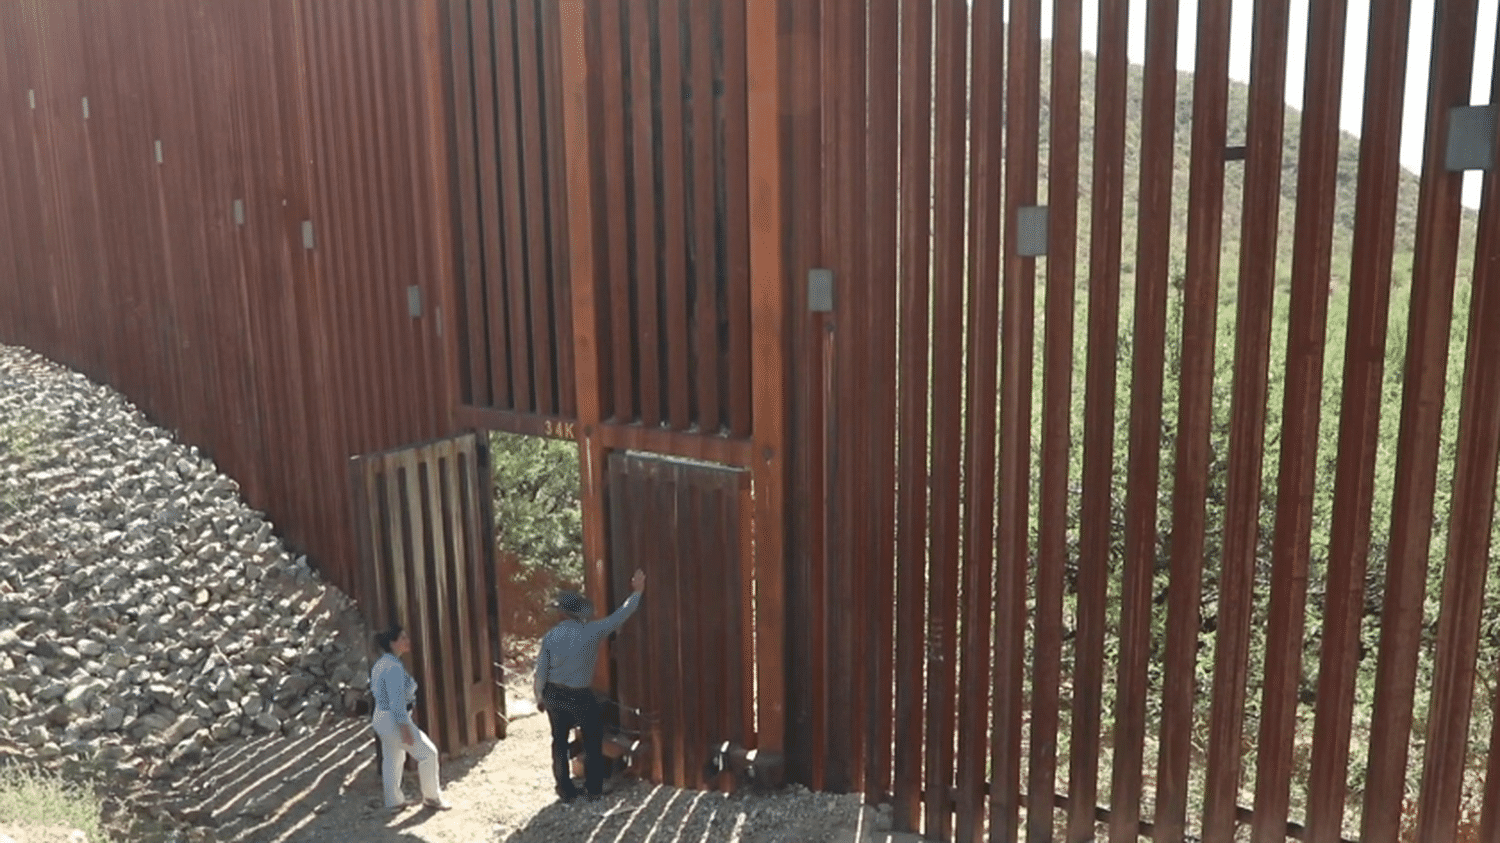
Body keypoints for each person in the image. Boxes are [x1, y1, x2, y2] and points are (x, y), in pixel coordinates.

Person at [534, 569, 646, 803]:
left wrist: (539, 698)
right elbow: (621, 616)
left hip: (553, 693)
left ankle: (565, 790)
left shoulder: (550, 637)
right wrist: (637, 593)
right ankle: (593, 788)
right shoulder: (592, 631)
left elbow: (540, 673)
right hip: (580, 696)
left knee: (559, 742)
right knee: (593, 740)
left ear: (561, 614)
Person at [370, 624, 452, 811]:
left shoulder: (381, 663)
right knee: (428, 754)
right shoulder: (394, 668)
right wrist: (405, 728)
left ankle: (394, 801)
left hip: (381, 717)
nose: (407, 641)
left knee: (393, 757)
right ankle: (432, 797)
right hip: (394, 718)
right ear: (393, 643)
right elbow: (397, 702)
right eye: (403, 638)